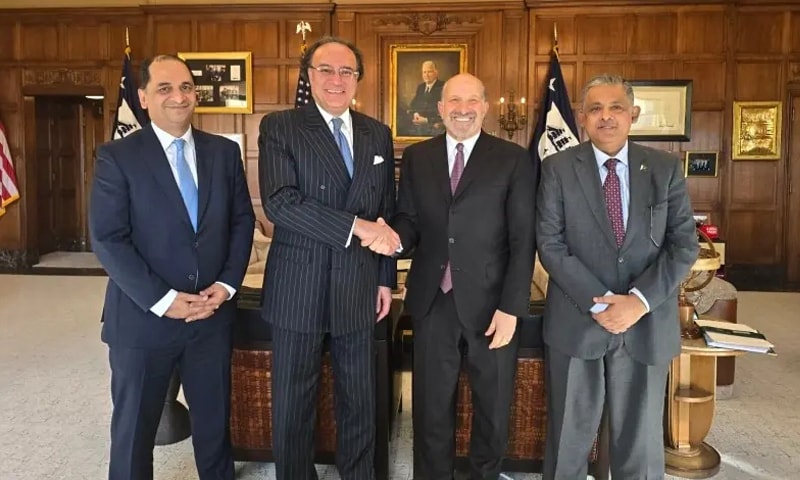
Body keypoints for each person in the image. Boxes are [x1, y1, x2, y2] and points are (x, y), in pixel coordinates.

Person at [89, 54, 255, 480]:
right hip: (144, 319)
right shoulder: (117, 157)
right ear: (143, 97)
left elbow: (241, 220)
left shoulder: (223, 152)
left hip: (210, 316)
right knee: (134, 431)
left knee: (214, 426)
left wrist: (227, 284)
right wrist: (164, 301)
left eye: (185, 87)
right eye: (165, 88)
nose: (178, 97)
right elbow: (109, 239)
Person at [536, 74, 699, 479]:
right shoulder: (557, 168)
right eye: (595, 109)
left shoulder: (664, 168)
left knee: (640, 443)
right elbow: (551, 244)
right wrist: (601, 302)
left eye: (616, 108)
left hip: (646, 322)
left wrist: (637, 302)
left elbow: (683, 245)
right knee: (568, 439)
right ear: (582, 117)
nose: (605, 117)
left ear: (633, 115)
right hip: (578, 319)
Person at [257, 36, 400, 480]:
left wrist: (384, 279)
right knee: (294, 401)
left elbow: (387, 212)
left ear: (358, 79)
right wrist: (357, 227)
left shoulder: (377, 132)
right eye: (326, 70)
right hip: (298, 285)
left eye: (346, 72)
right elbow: (281, 202)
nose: (336, 80)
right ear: (309, 75)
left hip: (358, 285)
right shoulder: (280, 126)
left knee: (359, 399)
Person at [392, 73, 537, 480]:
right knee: (431, 408)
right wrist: (392, 238)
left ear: (485, 107)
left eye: (472, 100)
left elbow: (523, 239)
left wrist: (512, 307)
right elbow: (409, 220)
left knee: (492, 409)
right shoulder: (418, 157)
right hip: (432, 300)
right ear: (439, 108)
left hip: (493, 305)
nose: (462, 108)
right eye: (454, 100)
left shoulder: (512, 158)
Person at [406, 60, 445, 136]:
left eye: (429, 72)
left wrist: (426, 120)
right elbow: (413, 105)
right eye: (424, 72)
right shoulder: (421, 87)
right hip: (419, 126)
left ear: (436, 73)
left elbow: (444, 111)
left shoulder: (443, 87)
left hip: (434, 126)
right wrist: (415, 114)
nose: (426, 75)